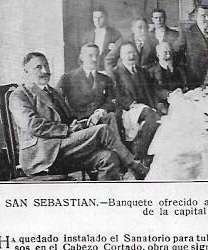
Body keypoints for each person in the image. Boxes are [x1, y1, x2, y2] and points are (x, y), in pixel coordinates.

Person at [9, 52, 127, 180]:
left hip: (62, 149)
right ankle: (133, 165)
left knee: (109, 157)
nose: (45, 71)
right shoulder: (19, 95)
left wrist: (77, 124)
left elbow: (68, 118)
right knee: (103, 130)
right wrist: (67, 129)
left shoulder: (53, 92)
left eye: (46, 65)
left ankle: (104, 192)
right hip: (41, 154)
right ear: (26, 71)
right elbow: (32, 125)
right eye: (38, 67)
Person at [54, 43, 149, 179]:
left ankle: (122, 167)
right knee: (109, 124)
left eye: (97, 56)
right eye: (90, 55)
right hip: (80, 126)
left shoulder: (105, 79)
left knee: (111, 116)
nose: (94, 59)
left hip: (101, 121)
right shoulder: (67, 78)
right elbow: (57, 102)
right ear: (81, 57)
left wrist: (101, 110)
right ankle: (130, 164)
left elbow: (113, 101)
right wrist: (70, 121)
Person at [111, 41, 162, 164]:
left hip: (144, 107)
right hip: (127, 109)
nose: (132, 56)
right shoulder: (115, 72)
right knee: (152, 116)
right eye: (128, 53)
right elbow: (115, 94)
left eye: (134, 53)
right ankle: (139, 153)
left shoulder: (142, 71)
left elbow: (152, 92)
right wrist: (130, 104)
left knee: (160, 117)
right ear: (121, 56)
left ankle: (144, 151)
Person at [178, 5, 208, 87]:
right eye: (203, 16)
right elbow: (178, 55)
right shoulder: (186, 33)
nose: (207, 19)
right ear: (195, 17)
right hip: (194, 77)